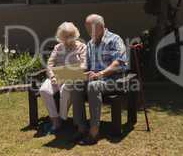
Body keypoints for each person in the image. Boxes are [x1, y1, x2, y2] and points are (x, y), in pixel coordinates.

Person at [72, 14, 128, 145]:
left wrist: (101, 74)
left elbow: (119, 62)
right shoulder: (90, 43)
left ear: (100, 27)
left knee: (93, 86)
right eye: (86, 28)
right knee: (74, 84)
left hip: (114, 80)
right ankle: (81, 128)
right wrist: (83, 72)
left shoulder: (114, 39)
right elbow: (89, 66)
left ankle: (94, 131)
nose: (87, 31)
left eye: (90, 28)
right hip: (96, 78)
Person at [39, 22, 86, 133]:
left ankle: (62, 118)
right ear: (60, 37)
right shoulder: (58, 47)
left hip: (73, 77)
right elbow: (49, 65)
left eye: (70, 36)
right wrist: (52, 77)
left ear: (75, 35)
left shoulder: (82, 47)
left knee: (65, 90)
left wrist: (75, 71)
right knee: (44, 90)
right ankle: (55, 120)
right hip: (58, 75)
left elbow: (84, 65)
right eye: (65, 37)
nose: (68, 39)